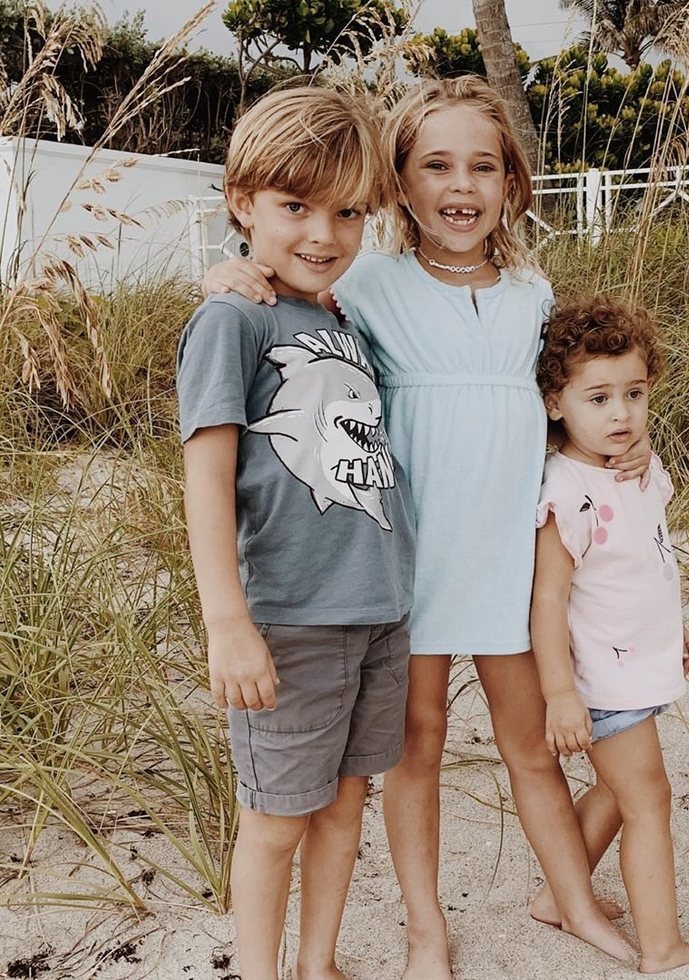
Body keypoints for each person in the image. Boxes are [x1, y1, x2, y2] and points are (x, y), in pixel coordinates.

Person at [203, 77, 650, 979]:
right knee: (417, 747)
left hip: (509, 562)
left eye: (484, 166)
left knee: (529, 745)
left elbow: (570, 406)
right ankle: (424, 929)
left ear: (512, 183)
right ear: (398, 185)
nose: (461, 186)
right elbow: (282, 303)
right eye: (435, 165)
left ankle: (573, 901)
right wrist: (225, 269)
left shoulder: (531, 292)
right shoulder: (365, 279)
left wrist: (622, 455)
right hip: (405, 563)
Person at [178, 86, 415, 980]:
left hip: (377, 611)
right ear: (242, 203)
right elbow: (206, 476)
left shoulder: (344, 322)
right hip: (291, 618)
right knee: (277, 818)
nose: (323, 233)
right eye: (295, 207)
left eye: (348, 212)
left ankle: (318, 963)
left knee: (346, 806)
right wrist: (227, 623)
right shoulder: (231, 318)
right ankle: (259, 970)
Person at [531, 295, 689, 974]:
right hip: (601, 678)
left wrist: (677, 628)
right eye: (599, 397)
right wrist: (558, 693)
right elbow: (548, 599)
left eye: (634, 394)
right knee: (648, 801)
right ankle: (662, 946)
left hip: (643, 658)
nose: (620, 414)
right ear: (557, 403)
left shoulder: (639, 467)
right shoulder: (565, 488)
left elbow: (647, 558)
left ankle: (560, 895)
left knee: (618, 791)